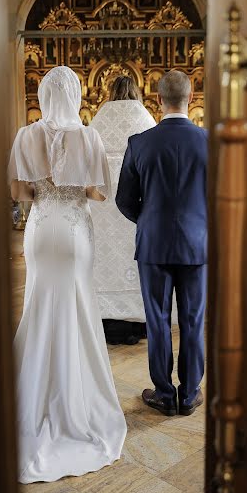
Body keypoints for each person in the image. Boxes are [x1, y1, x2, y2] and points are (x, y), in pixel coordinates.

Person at [8, 66, 127, 483]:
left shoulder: (25, 136)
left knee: (38, 305)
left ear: (43, 94)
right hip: (75, 233)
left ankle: (31, 395)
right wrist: (78, 188)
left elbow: (20, 193)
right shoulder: (89, 136)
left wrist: (45, 190)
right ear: (75, 95)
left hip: (41, 230)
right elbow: (99, 192)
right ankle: (75, 401)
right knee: (76, 306)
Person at [115, 70, 208, 417]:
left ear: (157, 99)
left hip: (153, 244)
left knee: (156, 319)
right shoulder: (209, 141)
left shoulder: (140, 142)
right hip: (197, 246)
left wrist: (150, 221)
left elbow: (124, 199)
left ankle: (165, 394)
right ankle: (190, 394)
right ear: (192, 95)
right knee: (193, 319)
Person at [90, 76, 156, 345]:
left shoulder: (99, 120)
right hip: (135, 201)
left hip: (103, 203)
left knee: (104, 260)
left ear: (110, 92)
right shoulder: (145, 119)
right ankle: (138, 325)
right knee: (132, 260)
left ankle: (107, 321)